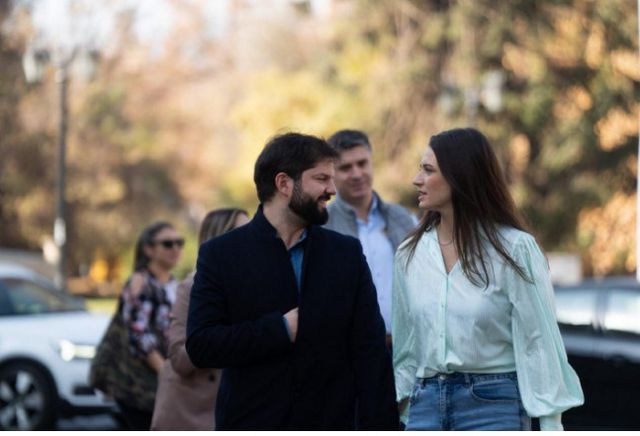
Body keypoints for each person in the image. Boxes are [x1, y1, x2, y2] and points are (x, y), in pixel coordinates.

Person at [186, 132, 398, 430]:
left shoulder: (345, 254)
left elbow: (370, 352)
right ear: (284, 183)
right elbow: (201, 345)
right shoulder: (221, 255)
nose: (332, 189)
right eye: (322, 178)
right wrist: (280, 329)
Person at [392, 128, 584, 431]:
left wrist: (550, 424)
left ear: (460, 176)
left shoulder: (515, 249)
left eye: (428, 170)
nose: (417, 179)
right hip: (424, 405)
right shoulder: (409, 254)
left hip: (493, 405)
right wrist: (403, 408)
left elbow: (539, 343)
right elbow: (406, 345)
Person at [151, 208, 250, 430]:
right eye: (241, 232)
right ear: (220, 238)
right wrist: (216, 337)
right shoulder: (193, 287)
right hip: (191, 411)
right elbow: (179, 358)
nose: (251, 238)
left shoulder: (249, 283)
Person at [324, 129, 417, 343]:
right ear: (332, 173)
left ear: (371, 163)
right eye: (346, 167)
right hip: (349, 350)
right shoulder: (321, 226)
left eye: (362, 163)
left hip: (406, 347)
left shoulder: (404, 219)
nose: (356, 174)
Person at [114, 222, 184, 430]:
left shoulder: (175, 283)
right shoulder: (141, 283)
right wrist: (165, 371)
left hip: (168, 382)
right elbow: (138, 334)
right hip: (143, 386)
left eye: (179, 243)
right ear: (148, 249)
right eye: (167, 244)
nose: (175, 249)